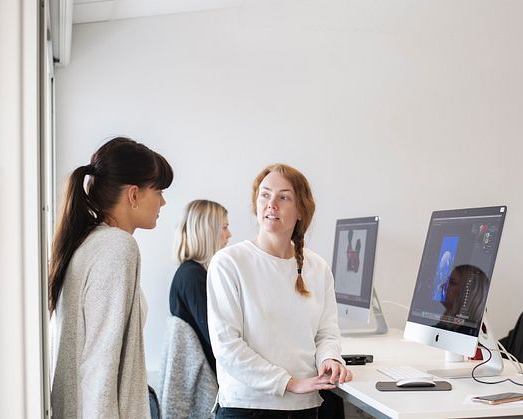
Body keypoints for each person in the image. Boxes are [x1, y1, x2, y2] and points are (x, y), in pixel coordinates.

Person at [207, 163, 352, 419]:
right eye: (265, 194)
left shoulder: (317, 267)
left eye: (283, 197)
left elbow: (326, 333)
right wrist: (289, 383)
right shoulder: (229, 262)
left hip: (305, 406)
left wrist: (330, 359)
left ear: (300, 211)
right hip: (247, 407)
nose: (271, 203)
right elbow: (227, 346)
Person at [48, 137, 173, 419]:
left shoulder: (89, 242)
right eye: (158, 190)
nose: (163, 201)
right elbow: (100, 362)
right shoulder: (117, 247)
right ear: (133, 194)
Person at [170, 199, 231, 372]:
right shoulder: (193, 277)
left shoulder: (189, 273)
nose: (229, 234)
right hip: (207, 385)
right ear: (208, 231)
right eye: (225, 227)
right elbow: (217, 340)